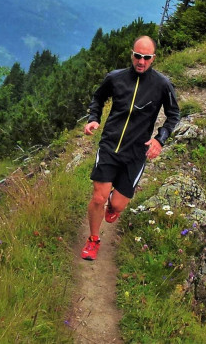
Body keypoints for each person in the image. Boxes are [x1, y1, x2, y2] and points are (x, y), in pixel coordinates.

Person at [81, 35, 180, 260]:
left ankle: (113, 206)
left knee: (117, 205)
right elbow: (98, 98)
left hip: (136, 152)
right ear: (131, 54)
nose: (141, 61)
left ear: (153, 58)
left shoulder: (162, 84)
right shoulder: (115, 78)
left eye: (146, 57)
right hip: (110, 145)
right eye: (137, 56)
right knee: (98, 197)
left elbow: (174, 115)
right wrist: (93, 118)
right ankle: (93, 239)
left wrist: (160, 139)